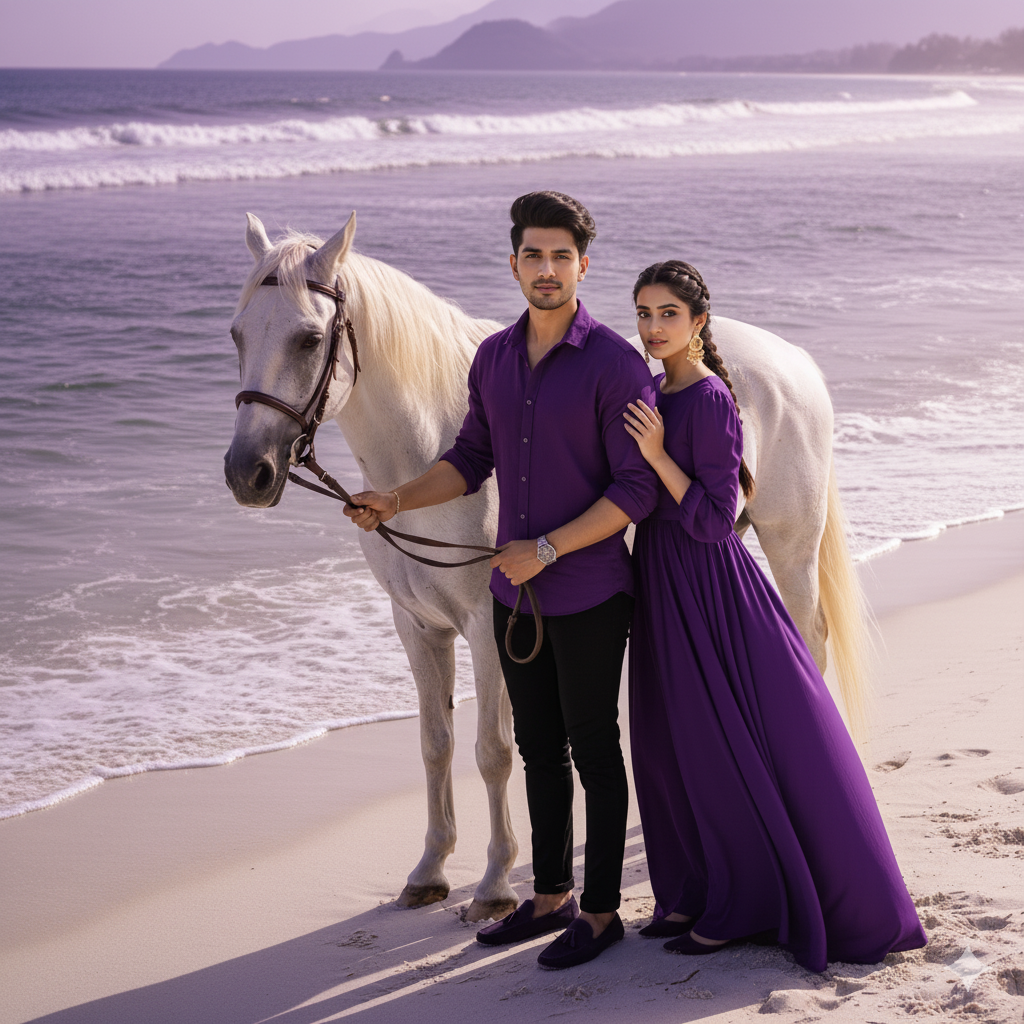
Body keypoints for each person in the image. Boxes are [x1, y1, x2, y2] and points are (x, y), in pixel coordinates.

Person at [344, 192, 658, 969]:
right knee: (539, 748)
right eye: (533, 256)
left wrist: (546, 550)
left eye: (561, 257)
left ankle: (601, 912)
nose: (547, 270)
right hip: (517, 596)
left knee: (594, 750)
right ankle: (548, 897)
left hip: (589, 591)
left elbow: (635, 490)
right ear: (513, 264)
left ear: (583, 266)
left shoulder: (615, 362)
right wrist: (395, 499)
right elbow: (469, 459)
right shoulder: (492, 358)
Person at [622, 260, 926, 972]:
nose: (653, 328)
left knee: (714, 741)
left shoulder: (711, 399)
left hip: (703, 579)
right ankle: (690, 893)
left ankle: (742, 906)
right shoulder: (652, 393)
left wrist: (657, 456)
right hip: (658, 579)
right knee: (666, 744)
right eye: (643, 314)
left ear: (699, 321)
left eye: (668, 314)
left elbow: (713, 519)